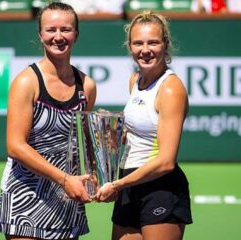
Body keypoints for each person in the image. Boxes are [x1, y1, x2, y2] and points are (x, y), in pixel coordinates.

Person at [0, 2, 97, 240]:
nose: (58, 37)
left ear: (76, 34)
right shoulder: (26, 82)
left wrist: (94, 175)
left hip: (66, 200)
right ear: (40, 34)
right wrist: (64, 179)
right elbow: (15, 146)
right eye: (51, 30)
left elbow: (85, 139)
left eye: (66, 29)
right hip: (26, 197)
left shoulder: (87, 86)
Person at [96, 11, 193, 240]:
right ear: (129, 46)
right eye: (138, 43)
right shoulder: (135, 80)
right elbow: (135, 133)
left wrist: (118, 184)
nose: (145, 50)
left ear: (165, 44)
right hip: (130, 185)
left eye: (153, 42)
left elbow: (166, 161)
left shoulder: (171, 89)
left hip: (160, 188)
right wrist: (112, 127)